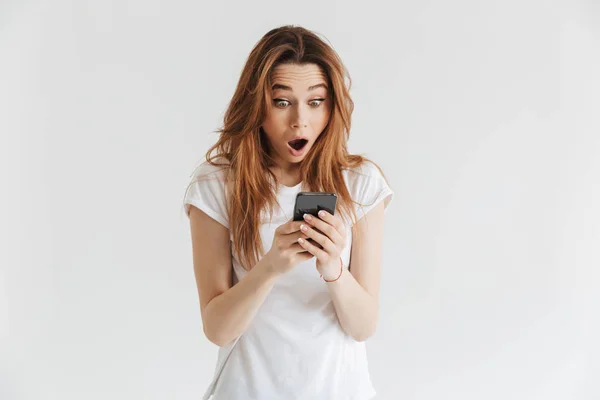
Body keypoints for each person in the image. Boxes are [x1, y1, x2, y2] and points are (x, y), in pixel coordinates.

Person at [183, 25, 394, 400]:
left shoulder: (360, 184)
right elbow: (217, 329)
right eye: (282, 102)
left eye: (315, 101)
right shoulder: (216, 185)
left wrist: (334, 270)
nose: (300, 120)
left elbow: (363, 326)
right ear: (256, 105)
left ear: (333, 106)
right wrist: (269, 267)